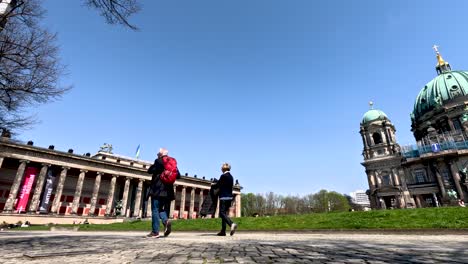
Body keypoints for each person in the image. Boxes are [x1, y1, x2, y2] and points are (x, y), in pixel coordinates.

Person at [146, 148, 180, 238]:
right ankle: (166, 221)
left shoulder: (158, 161)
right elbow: (178, 175)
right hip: (167, 191)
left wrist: (155, 164)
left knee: (155, 209)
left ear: (160, 154)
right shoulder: (172, 162)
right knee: (160, 209)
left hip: (157, 189)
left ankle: (155, 232)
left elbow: (149, 171)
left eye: (158, 153)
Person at [212, 162, 237, 236]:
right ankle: (223, 231)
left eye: (222, 166)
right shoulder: (231, 177)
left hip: (223, 197)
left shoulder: (223, 176)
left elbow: (218, 185)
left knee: (221, 213)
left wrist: (213, 185)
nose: (221, 167)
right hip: (229, 197)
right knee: (224, 214)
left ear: (224, 168)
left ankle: (231, 224)